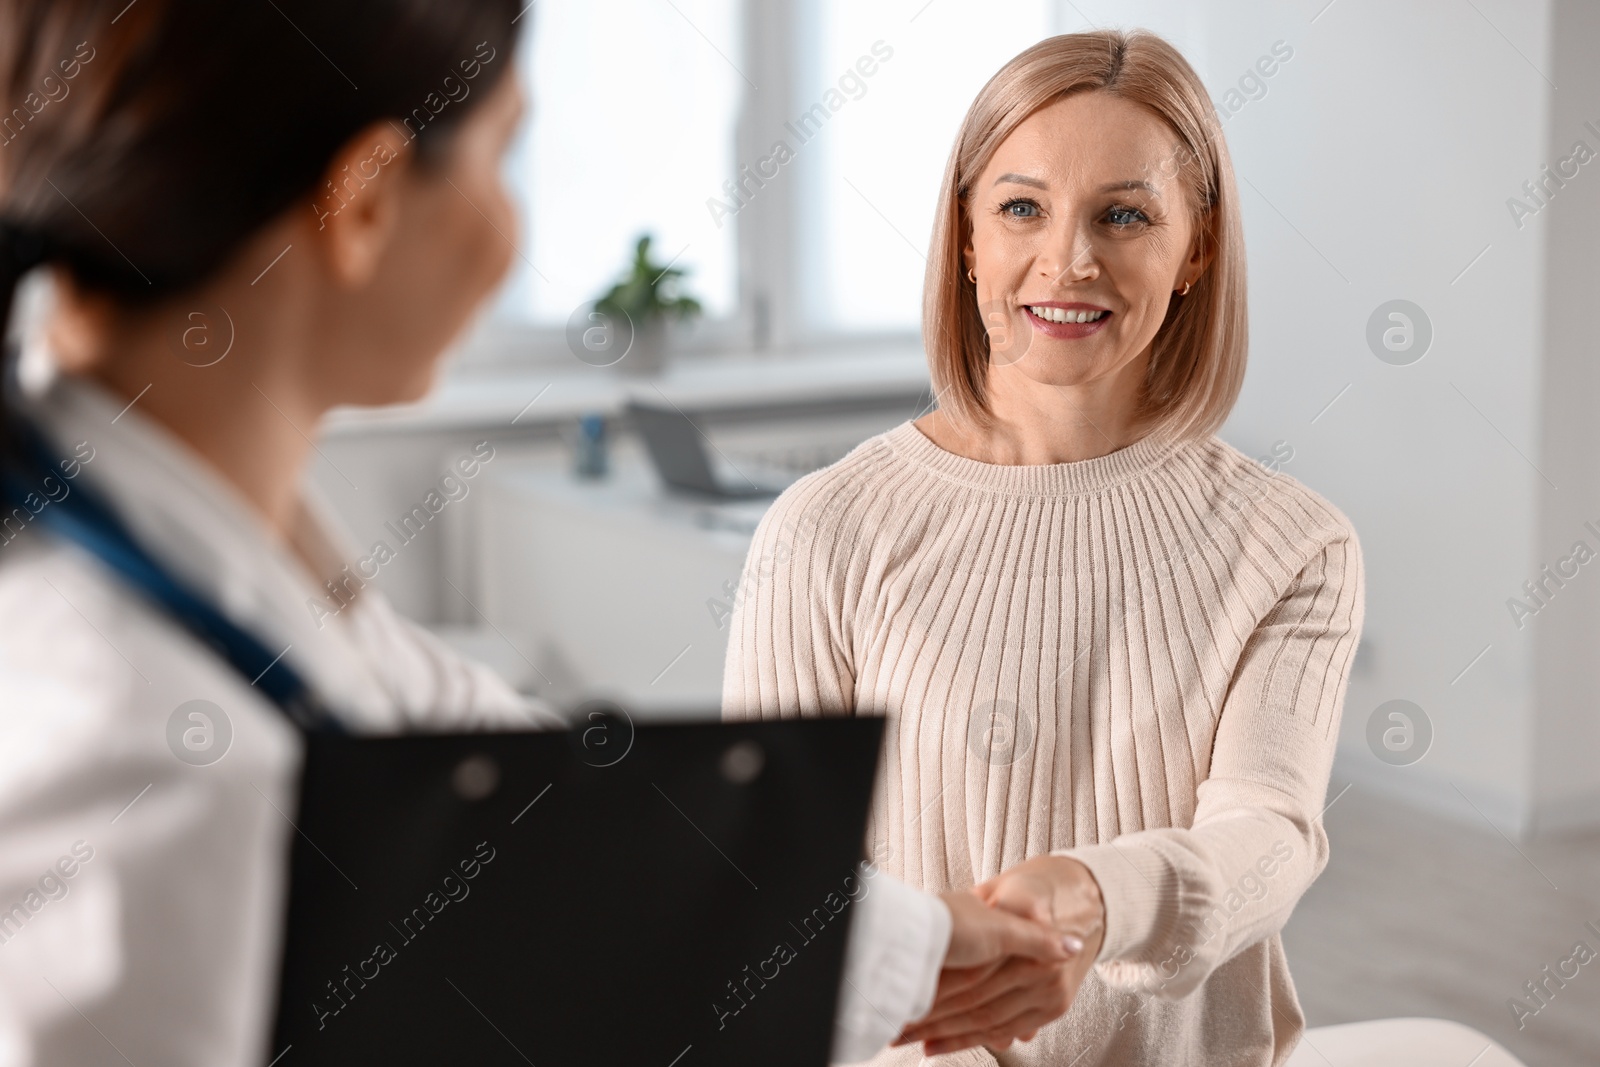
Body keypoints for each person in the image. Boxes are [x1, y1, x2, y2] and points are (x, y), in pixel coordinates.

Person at [0, 3, 1074, 1064]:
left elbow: (518, 797)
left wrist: (911, 942)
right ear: (365, 201)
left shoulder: (195, 548)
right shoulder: (145, 768)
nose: (510, 232)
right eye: (502, 155)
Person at [723, 28, 1367, 1066]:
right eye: (1022, 206)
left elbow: (1268, 837)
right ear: (966, 234)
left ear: (1195, 243)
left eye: (1124, 214)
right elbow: (774, 875)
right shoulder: (823, 527)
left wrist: (1094, 896)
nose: (1069, 259)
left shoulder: (1294, 545)